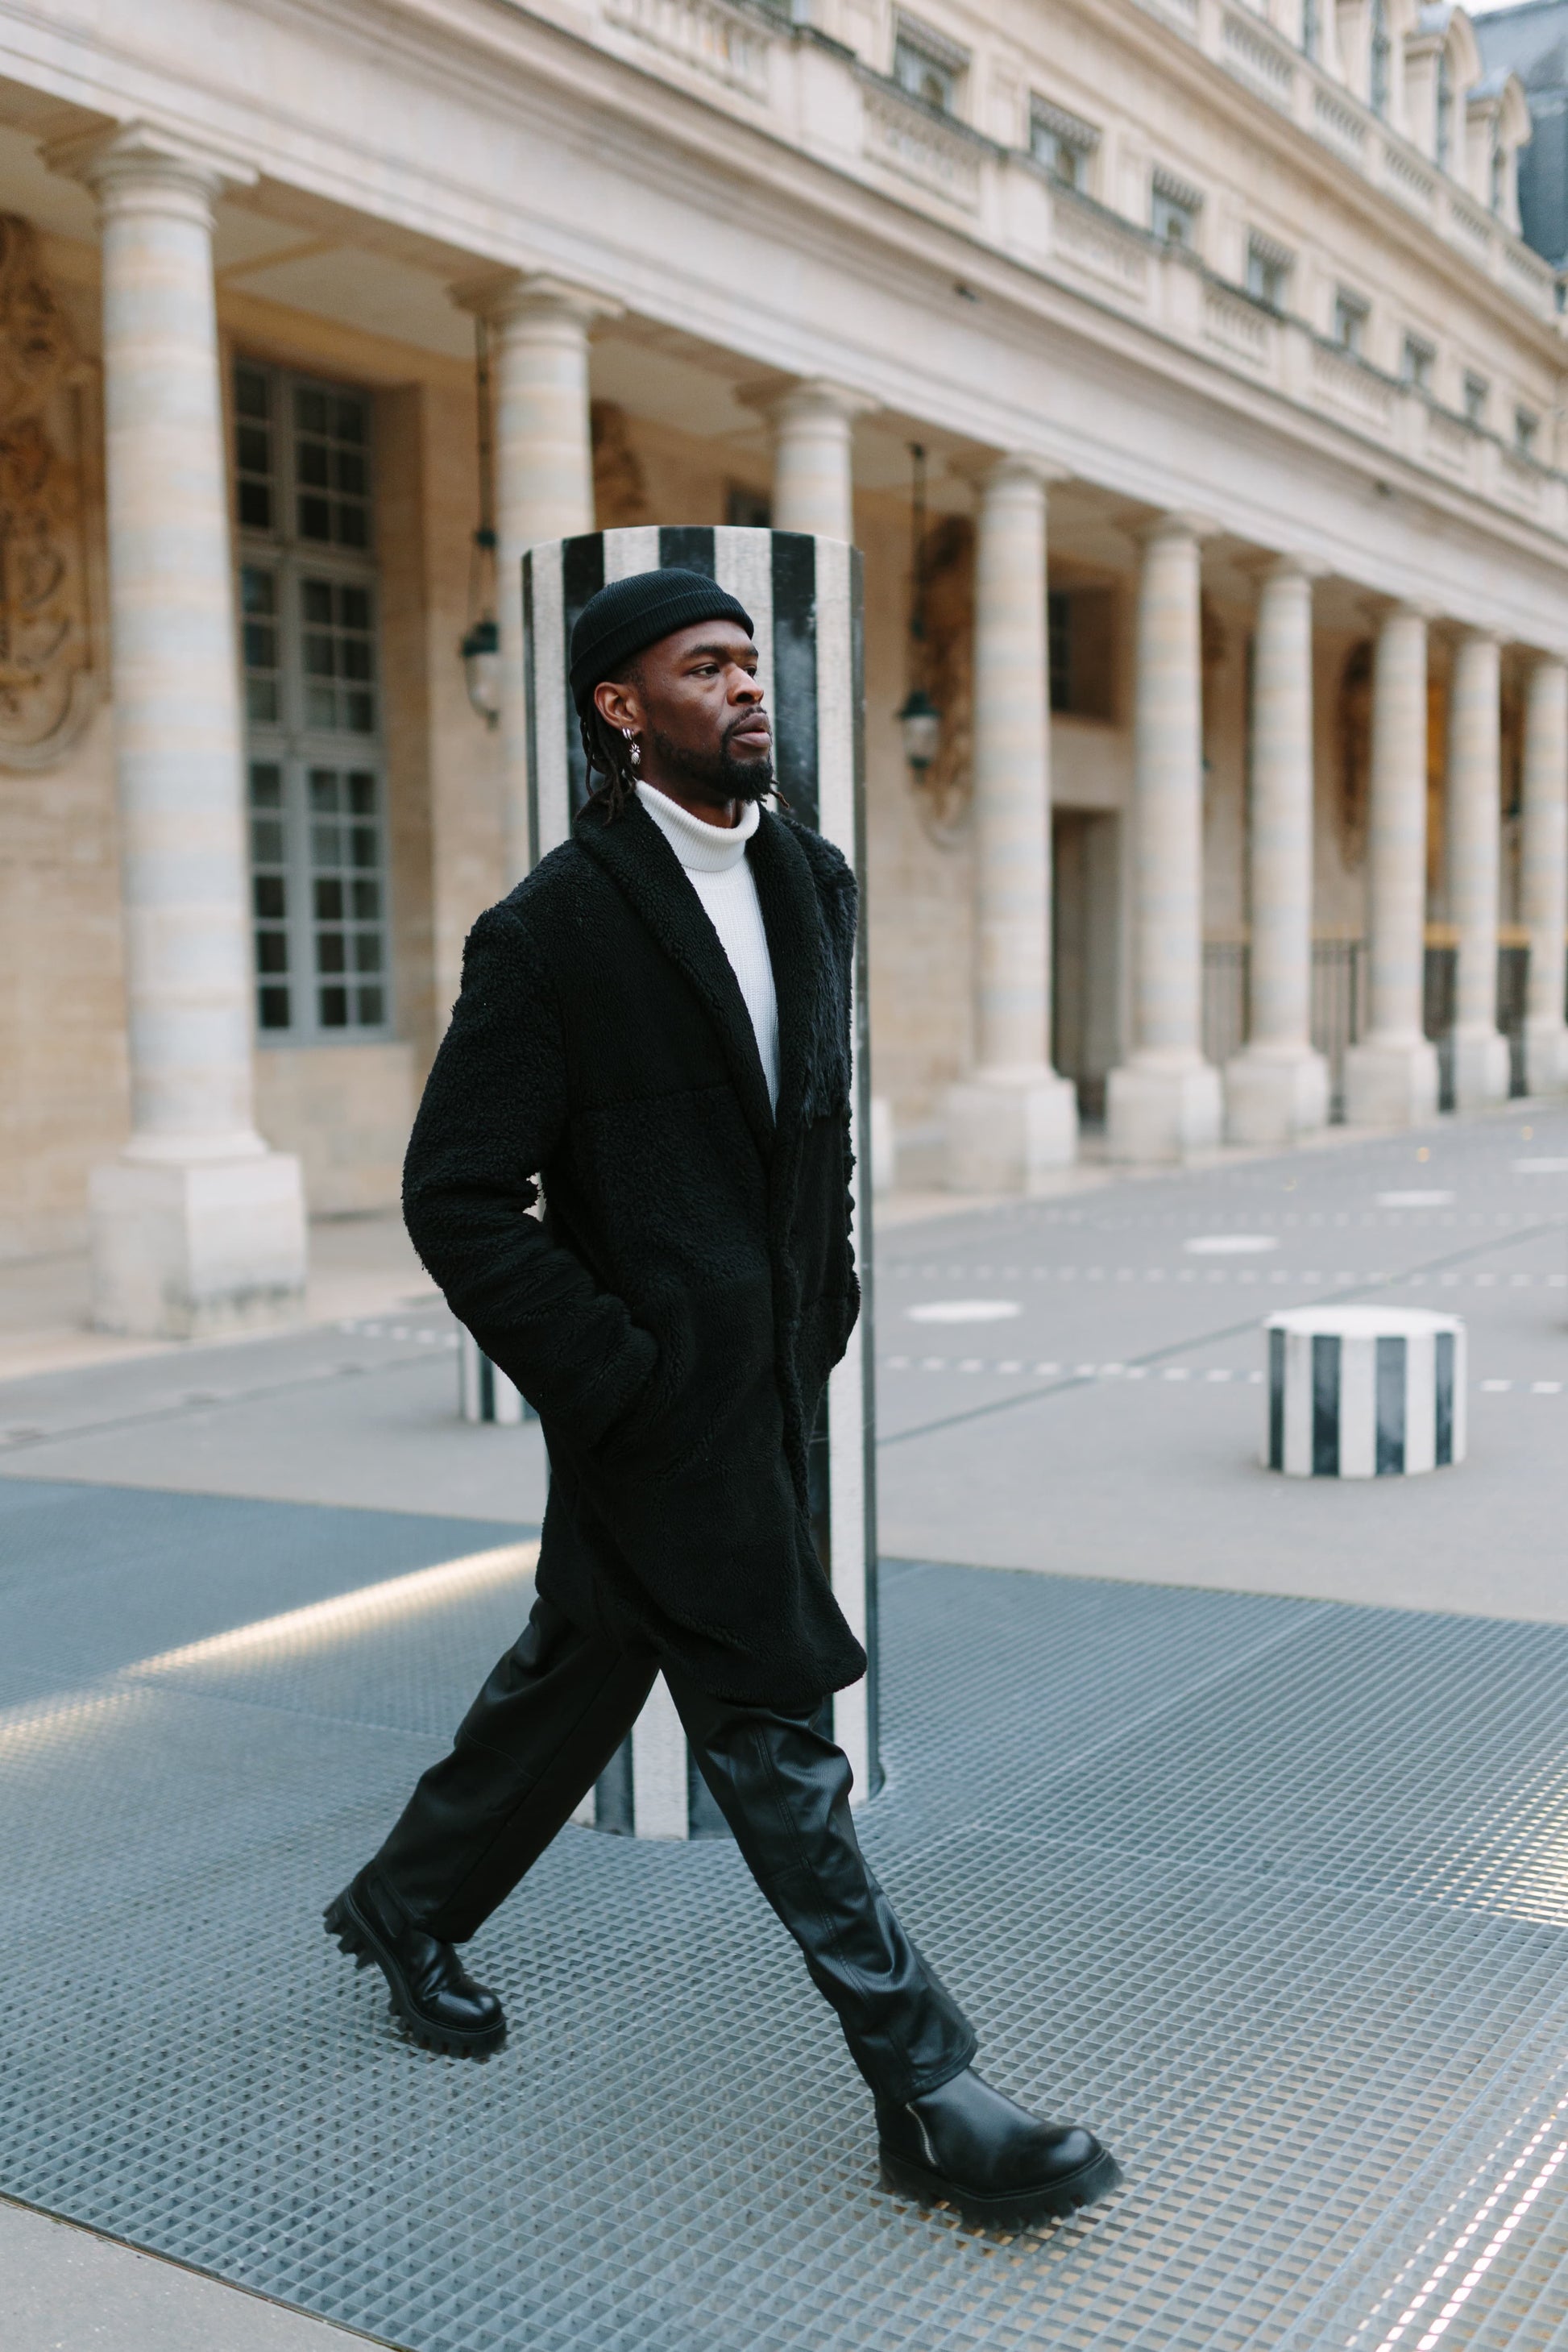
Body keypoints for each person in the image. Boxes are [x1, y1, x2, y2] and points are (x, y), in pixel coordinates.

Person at [325, 566, 1121, 2231]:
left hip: (769, 1386)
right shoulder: (549, 927)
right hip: (657, 1404)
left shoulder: (812, 881)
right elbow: (459, 1192)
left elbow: (808, 1127)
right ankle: (929, 2084)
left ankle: (404, 1902)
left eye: (754, 664)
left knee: (582, 1662)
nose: (749, 690)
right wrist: (611, 1372)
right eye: (706, 666)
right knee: (770, 1724)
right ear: (621, 709)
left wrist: (817, 1300)